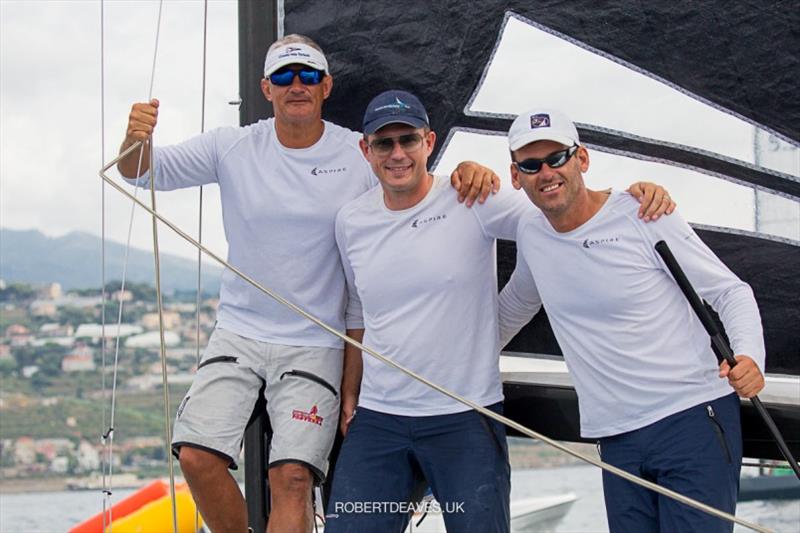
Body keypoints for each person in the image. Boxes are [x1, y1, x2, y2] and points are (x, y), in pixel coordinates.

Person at [117, 35, 500, 533]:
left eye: (307, 76)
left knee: (293, 478)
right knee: (194, 456)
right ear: (266, 89)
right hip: (239, 332)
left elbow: (409, 181)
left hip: (317, 340)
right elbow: (139, 172)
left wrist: (466, 172)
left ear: (326, 86)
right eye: (283, 77)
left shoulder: (359, 154)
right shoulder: (231, 146)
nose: (296, 85)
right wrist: (133, 140)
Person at [325, 91, 675, 533]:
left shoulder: (472, 197)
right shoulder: (350, 220)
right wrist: (349, 388)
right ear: (366, 150)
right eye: (384, 143)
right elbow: (357, 308)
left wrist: (629, 197)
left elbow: (561, 213)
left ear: (429, 142)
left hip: (465, 416)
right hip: (380, 419)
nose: (397, 153)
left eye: (408, 140)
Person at [498, 108, 766, 532]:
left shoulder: (643, 214)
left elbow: (730, 292)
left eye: (558, 158)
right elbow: (514, 307)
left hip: (692, 419)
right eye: (531, 165)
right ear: (517, 177)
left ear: (582, 159)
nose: (546, 172)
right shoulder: (532, 233)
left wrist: (750, 356)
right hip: (617, 437)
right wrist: (443, 361)